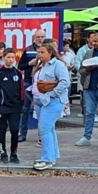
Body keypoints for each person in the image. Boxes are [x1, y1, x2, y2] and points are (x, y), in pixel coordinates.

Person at [32, 42, 71, 171]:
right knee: (50, 129)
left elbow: (65, 82)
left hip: (53, 101)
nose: (39, 55)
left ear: (50, 53)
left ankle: (47, 159)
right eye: (38, 52)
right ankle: (52, 156)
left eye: (42, 52)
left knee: (44, 129)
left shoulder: (58, 65)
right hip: (40, 100)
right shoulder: (40, 65)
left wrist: (51, 94)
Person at [0, 49, 26, 164]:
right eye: (8, 57)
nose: (10, 59)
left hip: (15, 107)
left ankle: (14, 154)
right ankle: (3, 153)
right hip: (2, 107)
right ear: (3, 58)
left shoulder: (17, 73)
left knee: (15, 130)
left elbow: (22, 89)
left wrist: (21, 103)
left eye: (12, 57)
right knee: (1, 130)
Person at [16, 31, 45, 143]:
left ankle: (41, 135)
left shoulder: (48, 49)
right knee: (25, 109)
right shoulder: (28, 50)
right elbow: (20, 66)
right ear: (34, 38)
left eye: (42, 37)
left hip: (42, 83)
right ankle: (22, 134)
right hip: (28, 81)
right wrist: (29, 63)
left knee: (42, 109)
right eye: (38, 37)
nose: (40, 39)